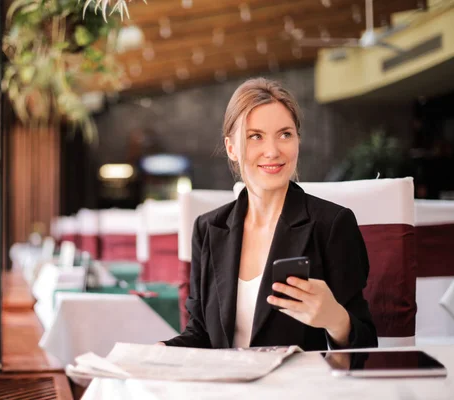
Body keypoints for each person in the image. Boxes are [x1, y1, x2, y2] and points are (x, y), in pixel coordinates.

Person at [161, 78, 377, 350]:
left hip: (298, 389)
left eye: (285, 134)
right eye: (255, 136)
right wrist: (166, 349)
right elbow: (200, 333)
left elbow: (367, 346)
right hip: (227, 389)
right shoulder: (208, 228)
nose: (272, 151)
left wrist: (335, 319)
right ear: (231, 148)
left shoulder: (332, 225)